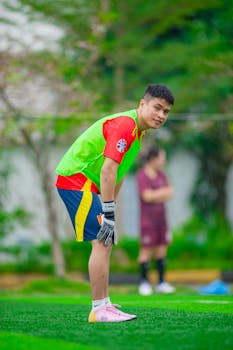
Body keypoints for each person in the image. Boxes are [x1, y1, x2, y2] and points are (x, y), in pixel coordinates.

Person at [55, 84, 174, 322]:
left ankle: (104, 303)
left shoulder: (137, 135)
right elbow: (108, 170)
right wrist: (108, 212)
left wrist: (112, 213)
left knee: (105, 239)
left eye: (166, 111)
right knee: (102, 242)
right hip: (75, 180)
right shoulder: (126, 125)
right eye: (157, 108)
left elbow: (116, 177)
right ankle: (99, 309)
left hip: (86, 184)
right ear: (142, 104)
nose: (161, 115)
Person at [136, 146, 175, 295]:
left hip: (162, 220)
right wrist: (161, 193)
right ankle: (144, 283)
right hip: (147, 221)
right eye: (162, 157)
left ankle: (161, 282)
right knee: (146, 251)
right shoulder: (142, 175)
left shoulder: (162, 175)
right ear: (153, 159)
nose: (164, 160)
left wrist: (156, 194)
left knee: (161, 250)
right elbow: (146, 196)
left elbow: (170, 192)